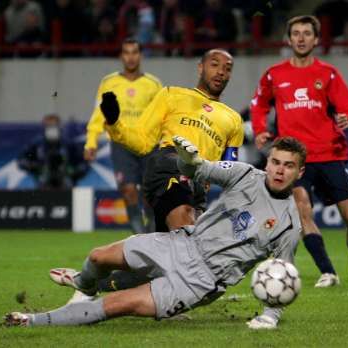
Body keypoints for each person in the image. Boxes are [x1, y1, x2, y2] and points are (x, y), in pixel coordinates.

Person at [4, 135, 305, 328]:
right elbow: (199, 171)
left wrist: (269, 316)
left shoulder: (289, 224)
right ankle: (84, 282)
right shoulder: (244, 174)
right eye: (276, 162)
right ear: (267, 161)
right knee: (98, 257)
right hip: (182, 243)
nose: (279, 170)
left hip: (201, 281)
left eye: (288, 166)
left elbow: (283, 274)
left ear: (299, 172)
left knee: (119, 304)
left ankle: (30, 321)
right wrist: (190, 161)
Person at [250, 15, 348, 290]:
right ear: (289, 39)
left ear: (316, 40)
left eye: (307, 33)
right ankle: (327, 272)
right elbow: (259, 105)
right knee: (303, 211)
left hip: (330, 152)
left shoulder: (327, 73)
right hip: (295, 157)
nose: (301, 38)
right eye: (296, 33)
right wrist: (259, 129)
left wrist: (347, 119)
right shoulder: (274, 74)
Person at [100, 48, 244, 232]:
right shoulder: (171, 95)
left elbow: (229, 170)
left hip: (198, 183)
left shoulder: (234, 120)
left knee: (177, 245)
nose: (221, 71)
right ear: (200, 67)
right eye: (214, 64)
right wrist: (114, 123)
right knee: (186, 230)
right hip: (169, 165)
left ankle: (105, 258)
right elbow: (142, 142)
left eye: (228, 68)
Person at [84, 37, 162, 235]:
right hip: (120, 144)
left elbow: (163, 116)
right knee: (128, 191)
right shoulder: (109, 82)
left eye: (134, 52)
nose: (130, 57)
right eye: (126, 53)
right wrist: (91, 142)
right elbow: (98, 114)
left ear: (140, 56)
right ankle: (141, 238)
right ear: (121, 56)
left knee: (149, 194)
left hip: (148, 144)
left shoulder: (153, 84)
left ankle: (151, 234)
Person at [17, 114, 88, 190]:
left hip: (66, 182)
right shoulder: (36, 144)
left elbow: (83, 163)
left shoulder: (68, 144)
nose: (52, 129)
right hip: (43, 181)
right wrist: (34, 167)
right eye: (49, 126)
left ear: (59, 126)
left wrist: (72, 171)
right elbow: (22, 160)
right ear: (44, 127)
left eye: (54, 126)